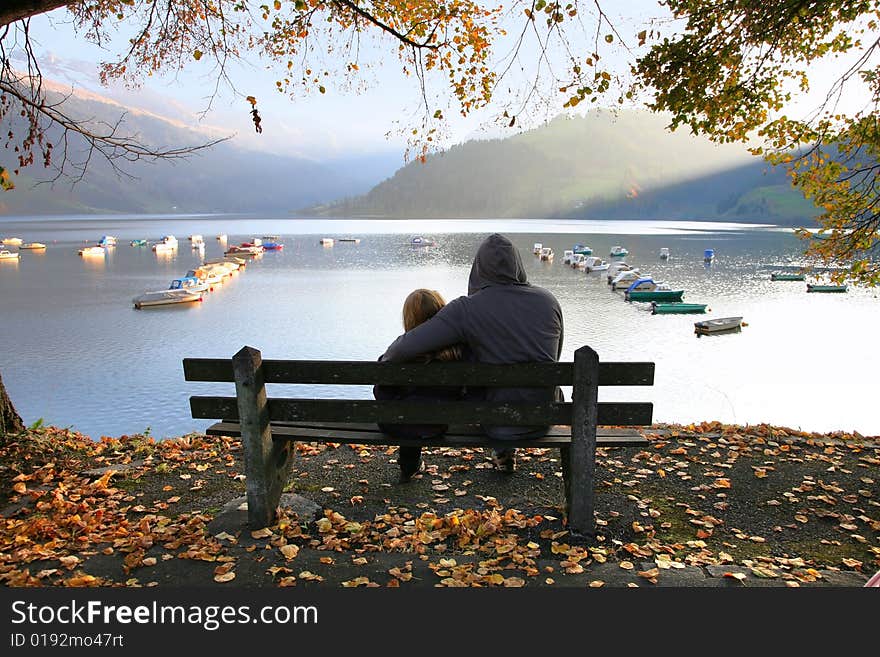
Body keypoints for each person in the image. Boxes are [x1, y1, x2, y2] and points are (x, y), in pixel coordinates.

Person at [380, 233, 564, 473]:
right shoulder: (548, 301)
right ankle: (504, 454)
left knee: (485, 384)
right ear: (518, 264)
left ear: (478, 267)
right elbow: (555, 357)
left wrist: (384, 362)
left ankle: (501, 448)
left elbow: (401, 350)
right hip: (544, 417)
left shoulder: (466, 309)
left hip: (496, 422)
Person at [374, 289, 465, 482]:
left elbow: (381, 391)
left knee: (406, 410)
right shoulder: (457, 355)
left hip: (396, 425)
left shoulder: (400, 354)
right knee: (419, 409)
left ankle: (409, 466)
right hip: (436, 424)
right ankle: (410, 465)